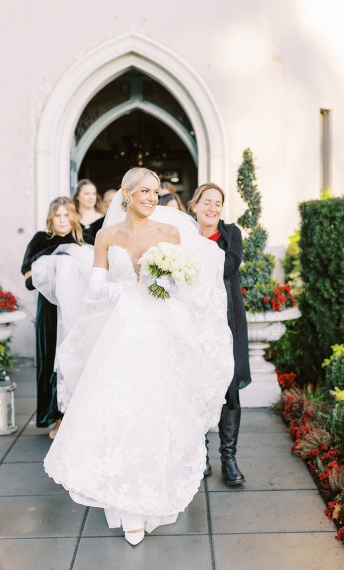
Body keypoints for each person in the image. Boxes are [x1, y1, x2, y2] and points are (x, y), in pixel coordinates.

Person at [44, 167, 233, 546]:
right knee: (122, 412)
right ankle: (126, 507)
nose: (151, 197)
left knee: (160, 412)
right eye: (144, 191)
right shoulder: (107, 234)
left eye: (155, 191)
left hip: (163, 328)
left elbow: (189, 281)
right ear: (126, 195)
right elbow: (96, 280)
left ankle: (153, 496)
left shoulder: (171, 233)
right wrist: (112, 292)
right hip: (121, 328)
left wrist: (169, 279)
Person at [188, 183, 251, 486]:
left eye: (218, 203)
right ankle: (199, 455)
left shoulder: (230, 234)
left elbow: (230, 263)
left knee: (230, 389)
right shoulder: (183, 236)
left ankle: (229, 459)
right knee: (195, 387)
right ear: (195, 205)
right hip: (192, 322)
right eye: (207, 202)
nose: (212, 208)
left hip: (227, 321)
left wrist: (197, 262)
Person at [21, 197, 88, 438]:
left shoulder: (83, 241)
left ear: (74, 217)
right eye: (57, 215)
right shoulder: (41, 240)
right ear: (51, 218)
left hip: (77, 310)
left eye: (66, 215)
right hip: (50, 310)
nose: (62, 220)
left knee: (77, 359)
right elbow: (28, 279)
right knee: (51, 359)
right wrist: (51, 266)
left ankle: (75, 414)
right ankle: (55, 417)